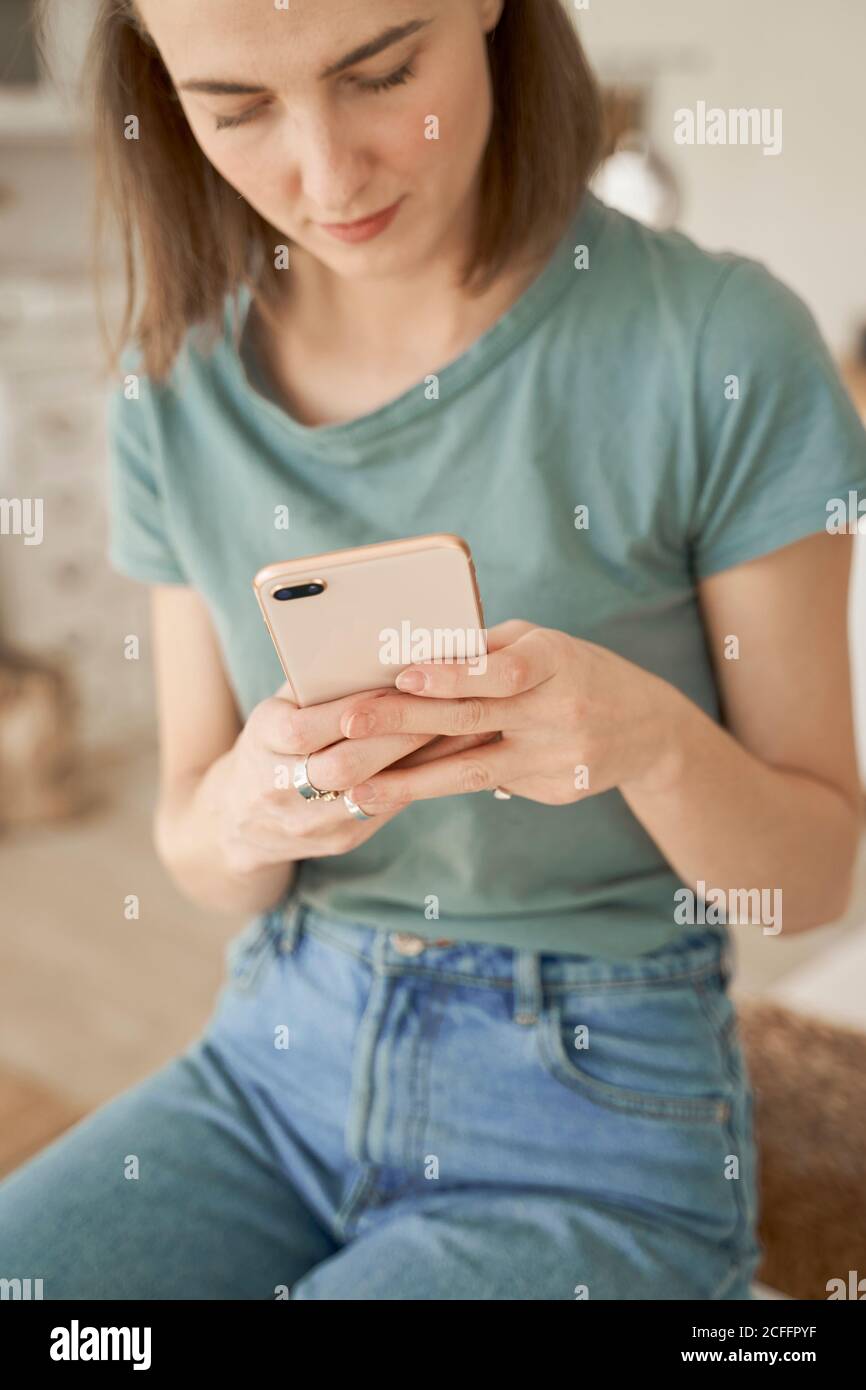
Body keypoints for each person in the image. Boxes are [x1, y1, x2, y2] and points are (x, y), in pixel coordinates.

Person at [3, 0, 865, 1300]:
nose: (326, 171)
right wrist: (253, 800)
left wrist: (639, 737)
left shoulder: (721, 346)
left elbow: (803, 882)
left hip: (598, 1105)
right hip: (274, 1057)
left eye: (380, 70)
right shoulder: (173, 383)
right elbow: (197, 842)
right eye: (236, 108)